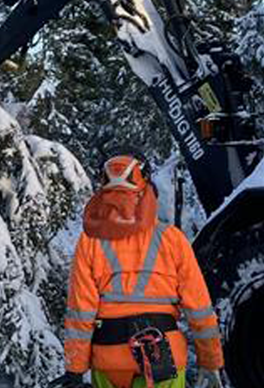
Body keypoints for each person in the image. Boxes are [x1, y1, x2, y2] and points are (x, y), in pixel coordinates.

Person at [48, 154, 225, 388]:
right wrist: (210, 360)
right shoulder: (172, 239)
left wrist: (75, 368)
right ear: (146, 187)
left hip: (109, 357)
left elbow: (81, 312)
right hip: (163, 355)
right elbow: (199, 308)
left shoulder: (89, 241)